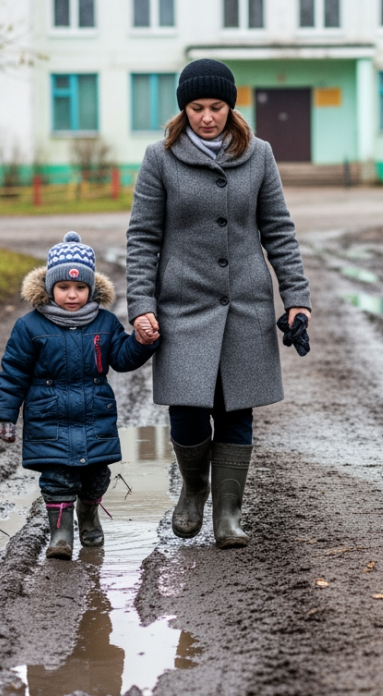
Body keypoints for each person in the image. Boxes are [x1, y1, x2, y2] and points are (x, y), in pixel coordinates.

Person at [125, 58, 311, 548]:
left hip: (245, 304)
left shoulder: (261, 155)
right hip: (182, 304)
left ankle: (228, 514)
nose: (207, 117)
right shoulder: (159, 158)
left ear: (231, 106)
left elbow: (279, 230)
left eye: (217, 106)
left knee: (235, 410)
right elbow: (142, 238)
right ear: (183, 109)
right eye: (196, 107)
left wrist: (297, 298)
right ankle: (194, 489)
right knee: (187, 408)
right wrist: (141, 303)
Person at [0, 232, 159, 560]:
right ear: (50, 288)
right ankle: (61, 534)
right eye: (64, 288)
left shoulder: (105, 322)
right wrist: (3, 414)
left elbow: (122, 359)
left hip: (94, 415)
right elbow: (13, 373)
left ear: (91, 289)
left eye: (80, 288)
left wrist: (141, 341)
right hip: (48, 417)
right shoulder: (30, 327)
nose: (72, 295)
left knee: (97, 475)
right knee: (57, 477)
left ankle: (89, 514)